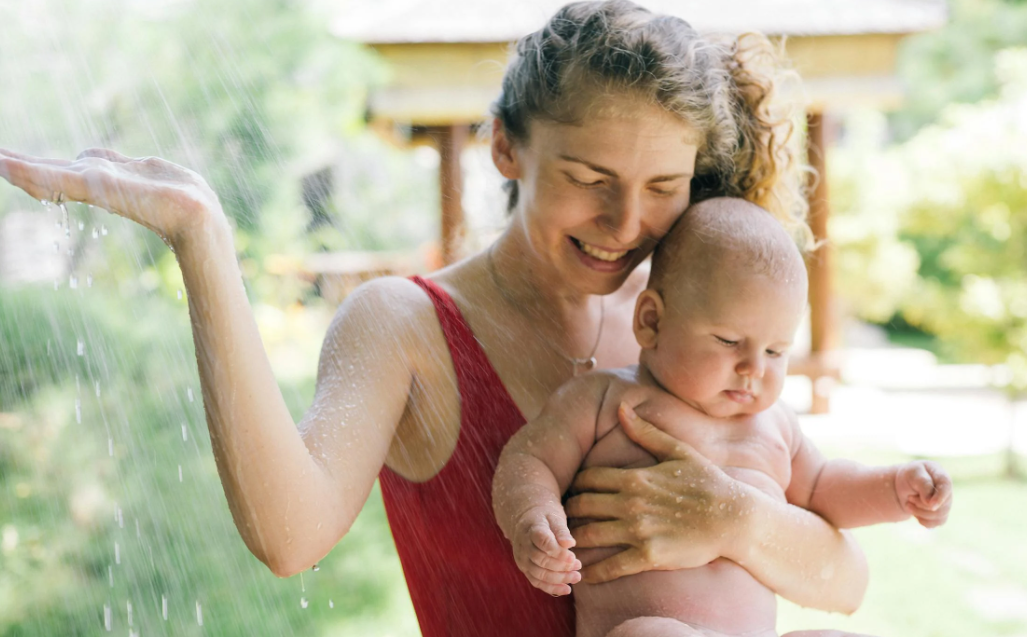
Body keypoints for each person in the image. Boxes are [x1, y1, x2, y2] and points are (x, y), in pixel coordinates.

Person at [0, 2, 875, 635]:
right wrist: (203, 239)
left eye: (661, 189)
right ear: (505, 146)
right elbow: (287, 536)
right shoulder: (407, 326)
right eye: (587, 178)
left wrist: (738, 521)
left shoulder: (696, 338)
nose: (623, 224)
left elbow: (843, 578)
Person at [493, 197, 954, 637]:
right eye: (730, 341)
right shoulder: (603, 399)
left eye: (776, 350)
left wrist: (895, 489)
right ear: (651, 321)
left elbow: (824, 487)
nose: (754, 368)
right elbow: (528, 460)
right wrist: (534, 518)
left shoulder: (775, 424)